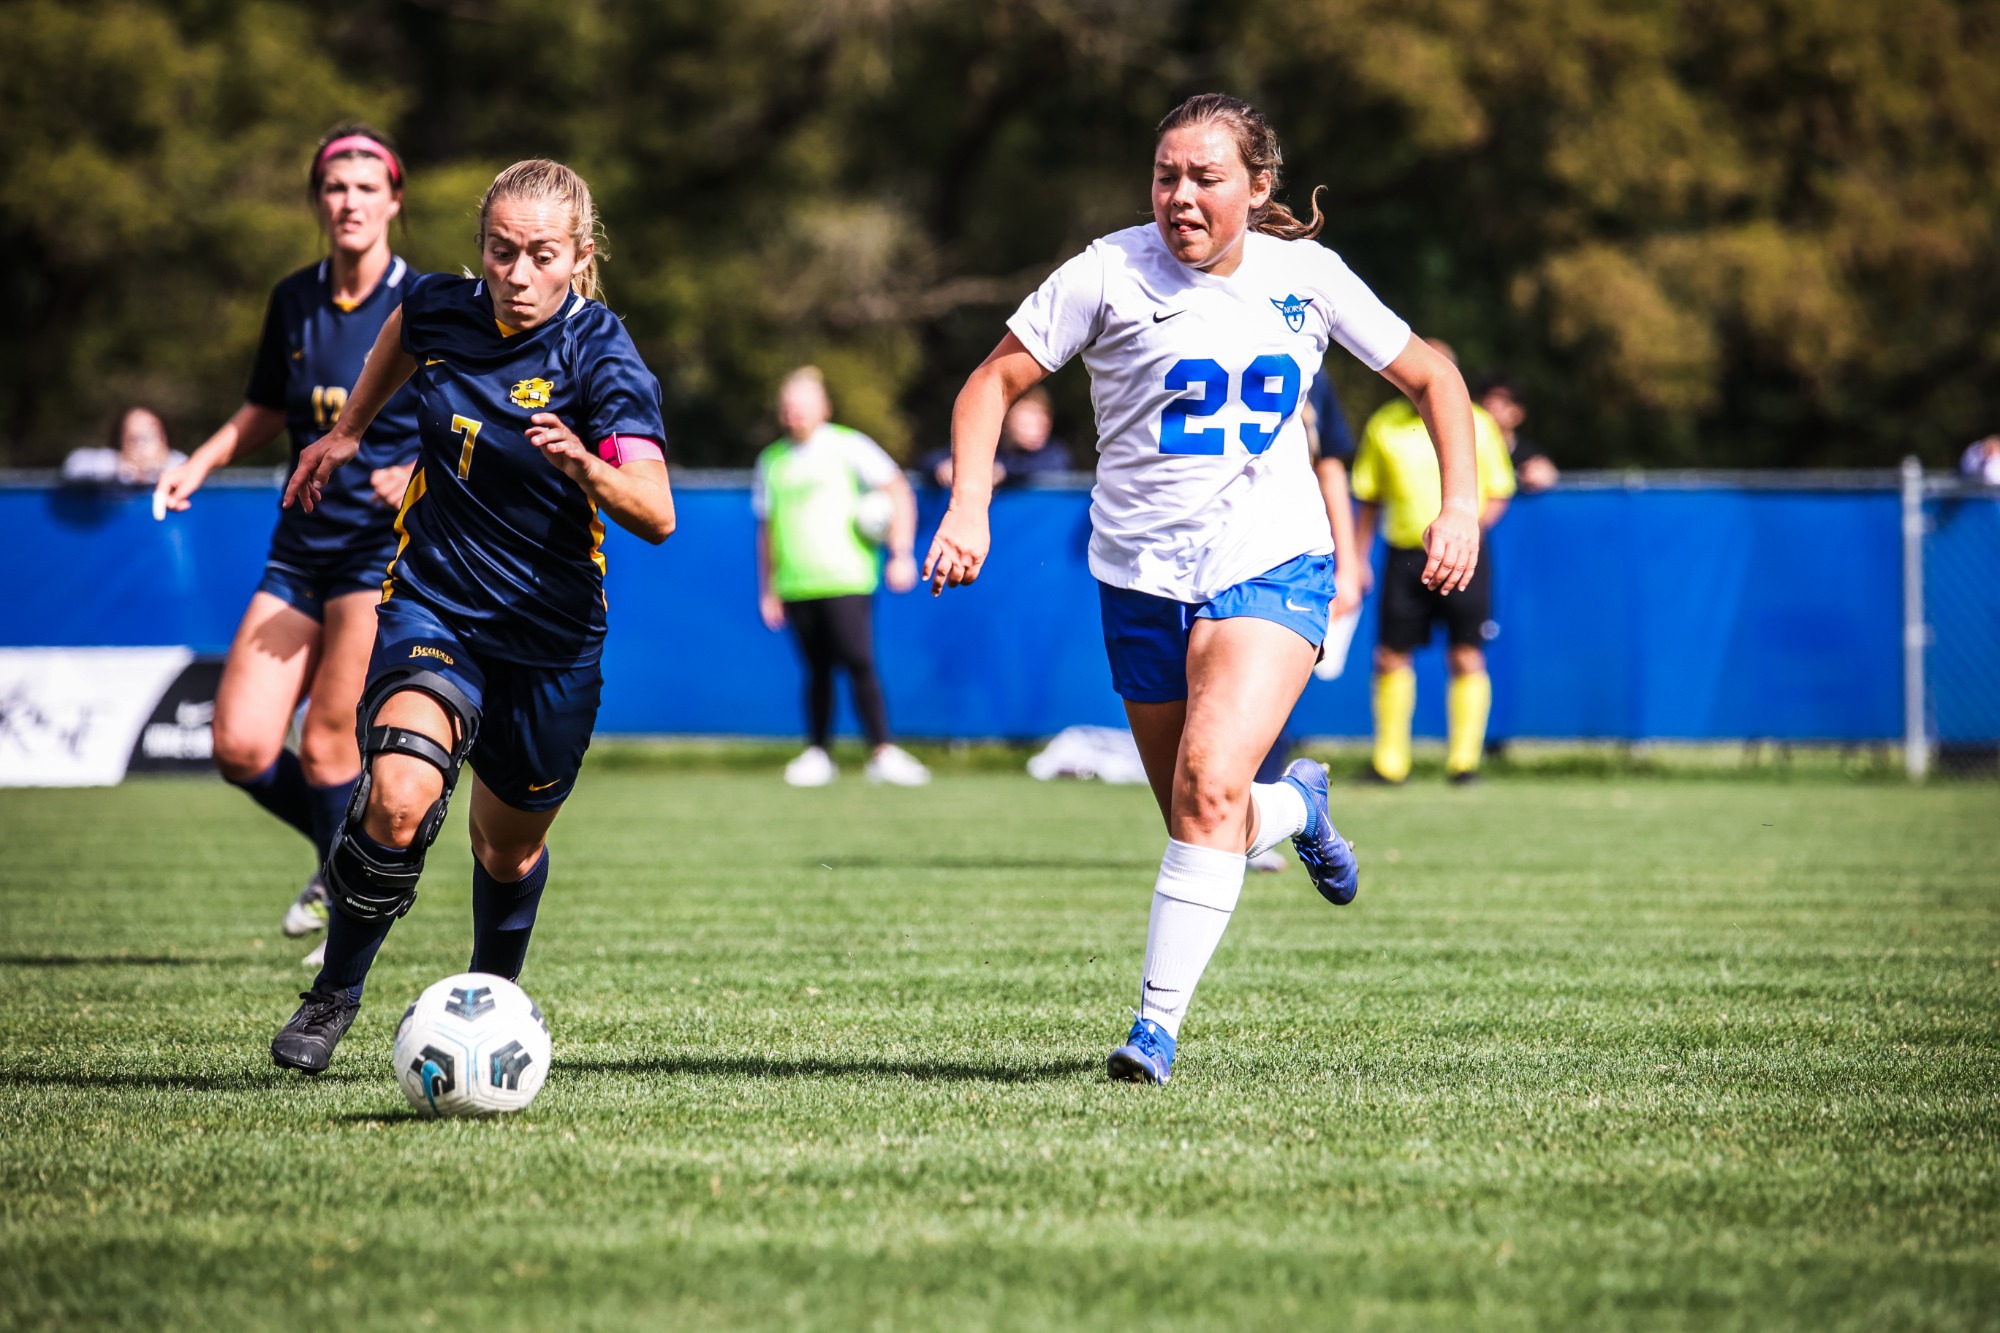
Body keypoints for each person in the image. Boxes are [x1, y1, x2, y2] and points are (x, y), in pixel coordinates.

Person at [923, 93, 1480, 1084]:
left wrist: (1459, 505)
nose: (1178, 195)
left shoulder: (1303, 280)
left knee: (1208, 785)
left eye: (1204, 177)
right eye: (1163, 174)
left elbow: (1433, 379)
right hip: (1136, 576)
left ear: (1257, 187)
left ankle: (1153, 1029)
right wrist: (969, 504)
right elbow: (988, 385)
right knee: (1199, 814)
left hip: (1271, 563)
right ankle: (1299, 809)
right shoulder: (1105, 272)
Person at [267, 158, 677, 1073]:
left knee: (504, 849)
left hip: (552, 639)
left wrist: (587, 467)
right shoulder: (446, 307)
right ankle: (334, 991)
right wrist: (348, 429)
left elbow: (655, 513)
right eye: (501, 252)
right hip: (435, 599)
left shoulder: (600, 356)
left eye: (540, 255)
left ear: (580, 255)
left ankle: (493, 1006)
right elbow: (407, 328)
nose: (518, 274)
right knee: (401, 795)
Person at [152, 125, 422, 963]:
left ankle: (348, 914)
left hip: (380, 551)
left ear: (393, 203)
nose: (349, 201)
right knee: (238, 744)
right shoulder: (294, 298)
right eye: (335, 188)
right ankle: (341, 858)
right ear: (318, 201)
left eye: (365, 187)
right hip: (300, 544)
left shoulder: (428, 302)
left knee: (329, 741)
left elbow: (472, 418)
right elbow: (266, 406)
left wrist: (415, 464)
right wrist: (201, 458)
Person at [755, 366, 931, 787]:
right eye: (787, 407)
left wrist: (901, 552)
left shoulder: (849, 446)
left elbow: (898, 490)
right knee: (815, 670)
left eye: (802, 406)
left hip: (847, 577)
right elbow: (766, 528)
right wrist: (768, 589)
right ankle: (818, 754)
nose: (793, 414)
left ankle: (882, 752)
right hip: (796, 583)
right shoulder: (771, 460)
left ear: (823, 408)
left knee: (858, 662)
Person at [1351, 341, 1516, 785]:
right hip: (1405, 554)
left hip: (1463, 554)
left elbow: (1499, 488)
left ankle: (1464, 763)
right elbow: (1369, 497)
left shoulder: (1478, 424)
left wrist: (1468, 532)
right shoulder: (1383, 426)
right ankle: (1390, 763)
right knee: (1390, 656)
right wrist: (1358, 556)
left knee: (1465, 654)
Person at [1247, 365, 1365, 873]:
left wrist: (1350, 561)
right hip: (1185, 557)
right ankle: (1289, 809)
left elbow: (1330, 464)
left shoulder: (1303, 362)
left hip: (1278, 557)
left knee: (1254, 698)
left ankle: (1252, 823)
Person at [923, 387, 1075, 488]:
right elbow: (930, 460)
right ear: (1007, 418)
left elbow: (1053, 467)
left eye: (1044, 416)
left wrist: (1005, 473)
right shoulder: (987, 449)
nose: (1042, 423)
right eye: (1031, 416)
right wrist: (945, 467)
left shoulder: (1053, 453)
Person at [1473, 372, 1558, 493]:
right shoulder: (1463, 451)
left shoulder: (1529, 456)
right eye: (1484, 399)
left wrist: (1547, 475)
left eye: (1503, 401)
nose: (1491, 405)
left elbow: (1546, 474)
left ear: (1518, 413)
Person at [62, 407, 186, 486]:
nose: (141, 446)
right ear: (121, 441)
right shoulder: (112, 464)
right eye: (134, 439)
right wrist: (120, 468)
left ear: (164, 438)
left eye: (150, 436)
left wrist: (156, 470)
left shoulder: (176, 462)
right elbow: (73, 465)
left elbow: (190, 470)